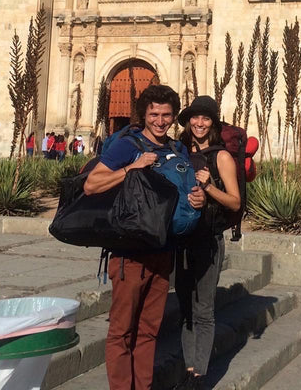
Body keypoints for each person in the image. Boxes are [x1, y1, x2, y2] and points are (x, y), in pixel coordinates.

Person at [84, 85, 206, 390]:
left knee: (149, 331)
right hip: (130, 255)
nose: (160, 121)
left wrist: (198, 200)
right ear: (144, 114)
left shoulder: (177, 149)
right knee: (122, 331)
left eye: (166, 115)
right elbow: (91, 185)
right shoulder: (127, 145)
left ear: (174, 116)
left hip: (163, 252)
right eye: (154, 114)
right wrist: (131, 168)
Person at [174, 96, 241, 390]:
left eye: (205, 118)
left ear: (213, 122)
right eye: (195, 118)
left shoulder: (221, 157)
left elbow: (235, 202)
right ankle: (189, 370)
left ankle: (200, 376)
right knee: (185, 309)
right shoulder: (180, 152)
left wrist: (209, 186)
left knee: (203, 310)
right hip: (181, 240)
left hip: (208, 241)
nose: (199, 123)